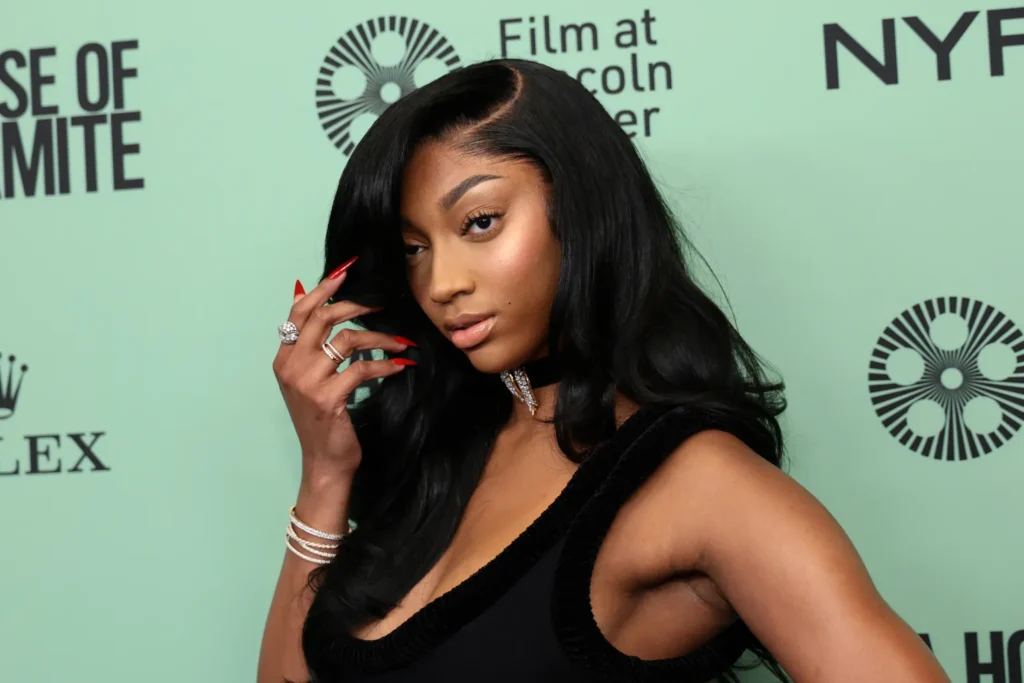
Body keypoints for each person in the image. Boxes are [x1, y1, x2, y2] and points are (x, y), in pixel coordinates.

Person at [257, 58, 949, 683]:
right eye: (413, 249)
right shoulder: (438, 460)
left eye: (479, 222)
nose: (440, 281)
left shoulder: (696, 482)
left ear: (581, 210)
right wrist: (325, 475)